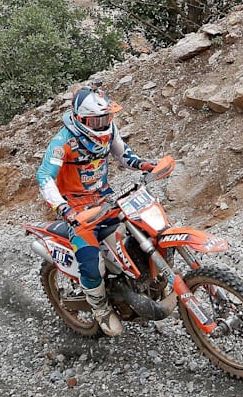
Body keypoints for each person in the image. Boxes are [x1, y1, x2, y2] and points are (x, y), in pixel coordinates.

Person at [36, 86, 171, 337]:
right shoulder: (61, 143)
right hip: (77, 211)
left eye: (106, 118)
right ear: (81, 119)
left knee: (148, 227)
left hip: (106, 199)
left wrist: (146, 165)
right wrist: (63, 208)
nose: (103, 124)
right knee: (91, 260)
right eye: (97, 120)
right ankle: (100, 309)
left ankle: (149, 280)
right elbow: (45, 176)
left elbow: (124, 155)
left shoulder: (110, 131)